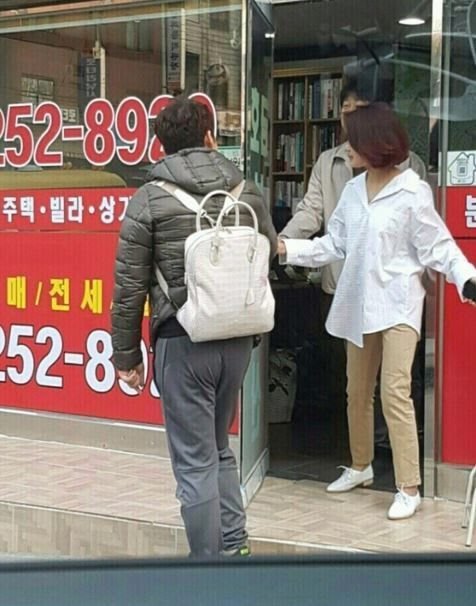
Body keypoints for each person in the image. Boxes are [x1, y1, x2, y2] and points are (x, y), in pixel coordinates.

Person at [278, 102, 476, 520]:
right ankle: (360, 465)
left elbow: (438, 246)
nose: (347, 147)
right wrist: (285, 248)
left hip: (400, 304)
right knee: (357, 391)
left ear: (374, 143)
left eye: (353, 140)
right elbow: (332, 245)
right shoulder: (353, 191)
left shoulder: (412, 191)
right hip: (359, 304)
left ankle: (409, 486)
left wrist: (466, 278)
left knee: (394, 391)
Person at [111, 96, 277, 556]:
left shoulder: (149, 198)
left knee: (194, 461)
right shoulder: (245, 190)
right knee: (218, 446)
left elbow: (129, 285)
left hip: (183, 341)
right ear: (210, 137)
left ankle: (205, 566)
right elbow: (270, 252)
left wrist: (126, 356)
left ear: (161, 146)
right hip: (237, 340)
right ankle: (234, 545)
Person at [280, 80, 427, 427]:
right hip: (342, 286)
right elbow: (311, 212)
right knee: (354, 382)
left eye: (359, 110)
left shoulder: (410, 165)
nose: (351, 117)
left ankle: (392, 445)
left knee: (396, 382)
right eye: (346, 109)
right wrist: (284, 242)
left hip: (392, 292)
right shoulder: (328, 161)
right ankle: (362, 447)